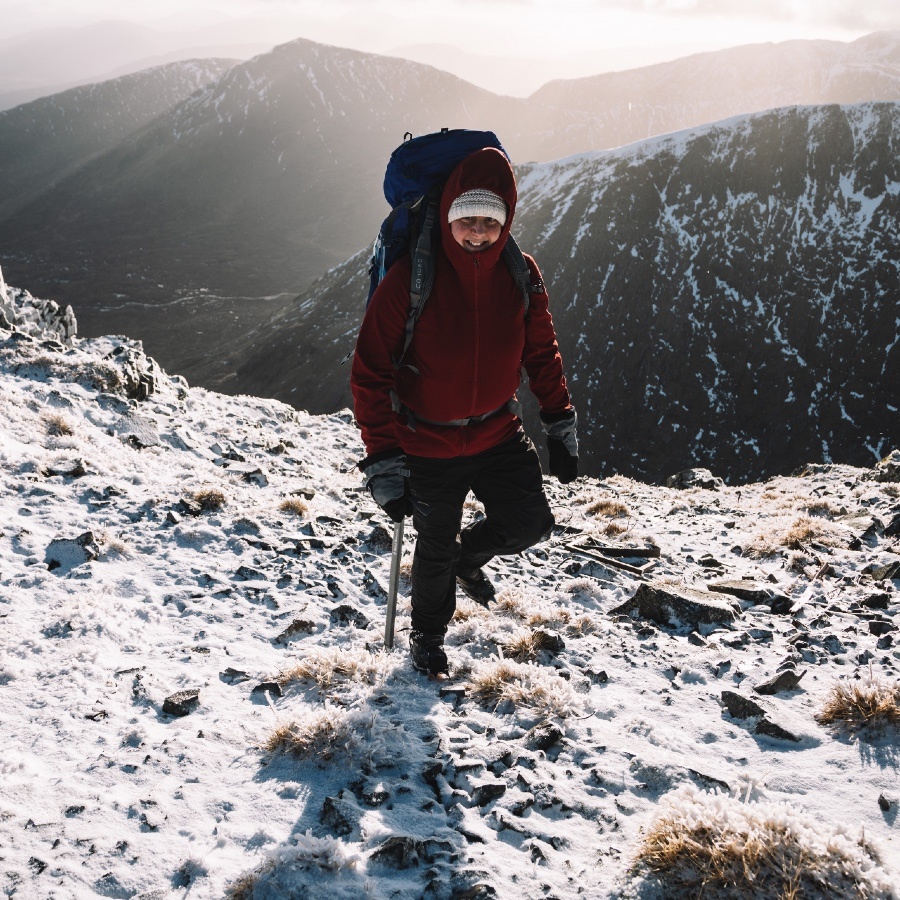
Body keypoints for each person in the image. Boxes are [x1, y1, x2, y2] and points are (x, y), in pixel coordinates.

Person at [350, 146, 578, 678]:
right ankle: (427, 639)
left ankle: (467, 558)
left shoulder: (520, 273)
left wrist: (559, 423)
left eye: (490, 221)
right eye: (466, 219)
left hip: (498, 431)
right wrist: (384, 459)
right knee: (433, 549)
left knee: (530, 523)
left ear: (507, 221)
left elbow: (541, 351)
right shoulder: (411, 278)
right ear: (448, 213)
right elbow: (370, 371)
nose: (478, 232)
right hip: (426, 443)